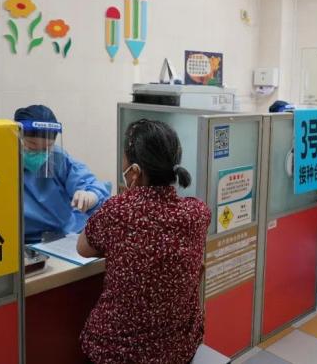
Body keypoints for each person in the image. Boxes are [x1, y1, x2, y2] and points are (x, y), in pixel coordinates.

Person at [77, 119, 210, 364]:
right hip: (179, 349)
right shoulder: (198, 213)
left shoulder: (117, 211)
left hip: (116, 352)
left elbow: (83, 248)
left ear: (135, 171)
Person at [14, 105, 109, 244]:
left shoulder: (57, 159)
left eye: (47, 148)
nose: (40, 154)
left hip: (60, 236)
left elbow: (91, 185)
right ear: (17, 137)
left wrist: (90, 195)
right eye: (31, 146)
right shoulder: (2, 163)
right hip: (18, 240)